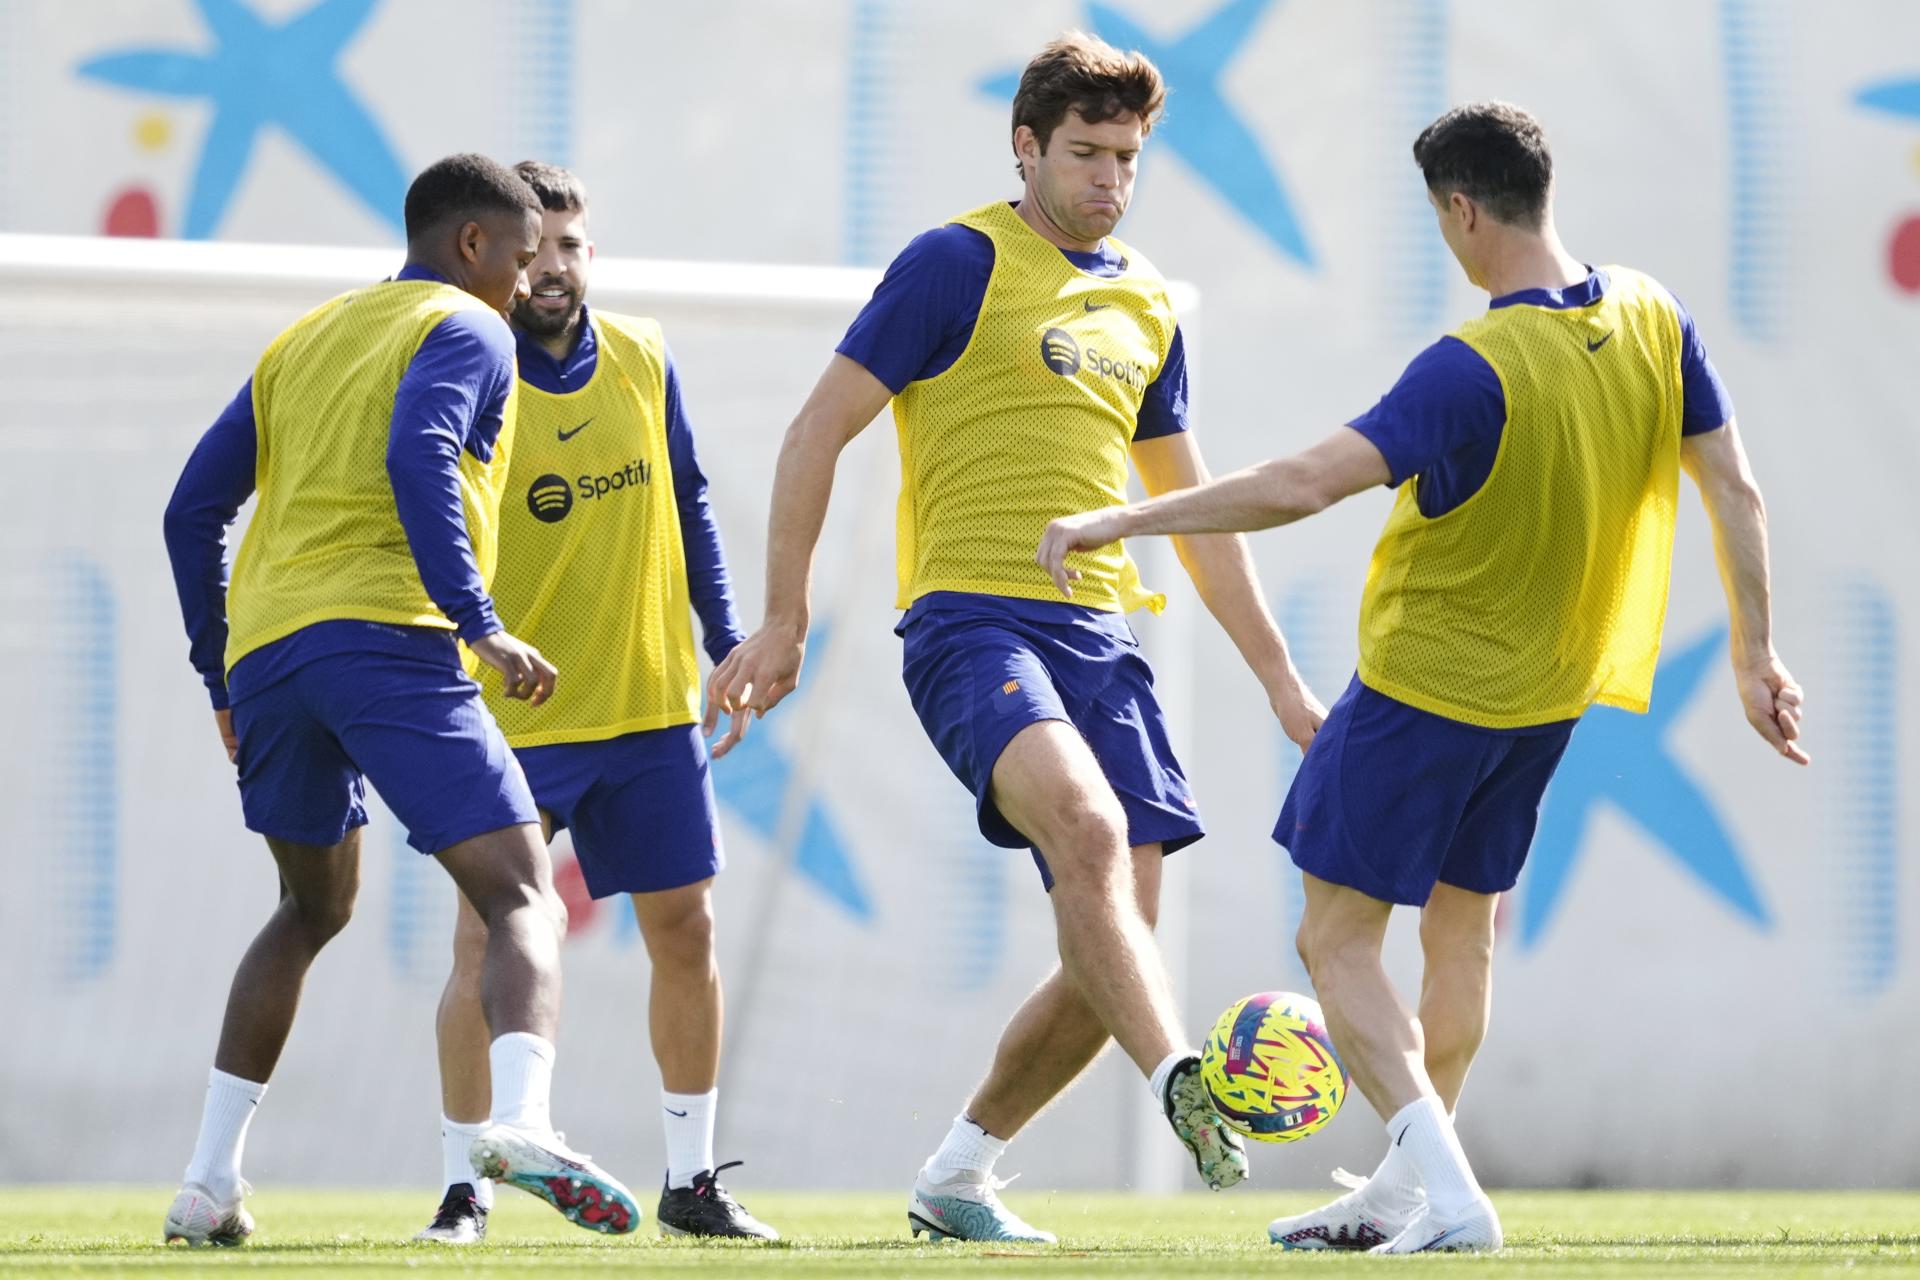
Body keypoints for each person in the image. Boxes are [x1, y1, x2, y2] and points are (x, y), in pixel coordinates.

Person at [1037, 101, 1809, 1254]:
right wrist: (1755, 651)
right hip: (1549, 698)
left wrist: (1131, 514)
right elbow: (1735, 488)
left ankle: (1448, 1192)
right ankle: (1412, 1187)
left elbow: (1301, 483)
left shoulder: (1474, 365)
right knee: (1462, 943)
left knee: (1335, 944)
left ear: (1460, 207)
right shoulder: (1656, 314)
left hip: (1423, 694)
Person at [705, 33, 1323, 1243]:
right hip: (971, 623)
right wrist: (783, 618)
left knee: (1115, 938)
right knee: (1089, 831)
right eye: (1086, 152)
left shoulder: (1147, 302)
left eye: (1128, 158)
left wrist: (1282, 679)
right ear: (1026, 145)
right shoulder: (952, 262)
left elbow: (1197, 514)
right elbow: (814, 430)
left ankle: (959, 1169)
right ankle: (1180, 1082)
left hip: (1106, 639)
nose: (1109, 178)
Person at [159, 153, 639, 1246]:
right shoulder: (466, 330)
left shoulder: (302, 339)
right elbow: (420, 449)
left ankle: (206, 1180)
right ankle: (520, 1121)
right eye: (521, 260)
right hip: (390, 640)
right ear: (474, 245)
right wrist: (475, 617)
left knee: (310, 907)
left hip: (274, 660)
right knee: (523, 887)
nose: (527, 286)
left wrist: (220, 673)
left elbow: (191, 511)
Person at [414, 161, 774, 1245]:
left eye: (574, 246)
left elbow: (691, 500)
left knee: (686, 929)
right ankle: (466, 1183)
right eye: (541, 248)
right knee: (482, 947)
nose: (556, 267)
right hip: (515, 713)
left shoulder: (644, 355)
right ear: (507, 255)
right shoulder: (468, 365)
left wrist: (726, 641)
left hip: (649, 707)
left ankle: (691, 1178)